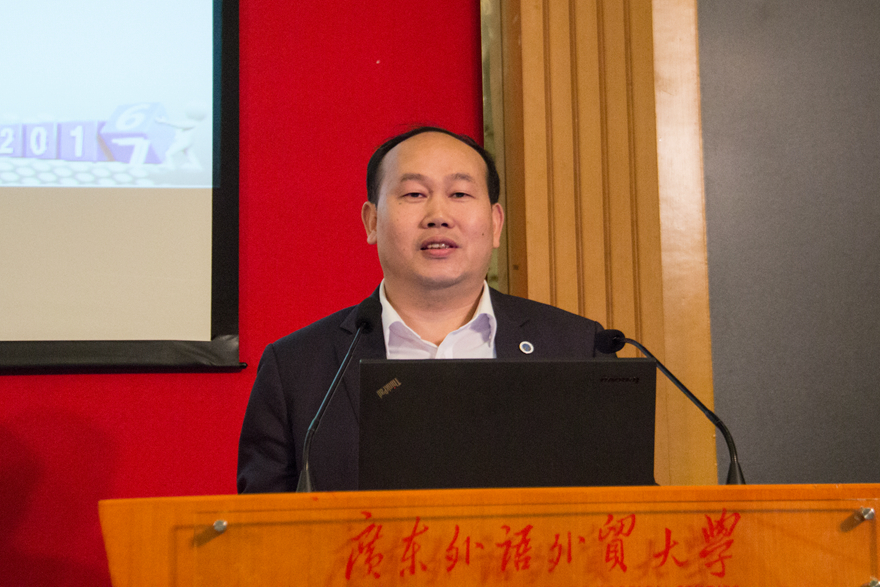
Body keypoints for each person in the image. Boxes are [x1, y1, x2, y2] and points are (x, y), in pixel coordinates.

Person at [237, 126, 610, 493]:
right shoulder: (296, 368)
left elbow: (623, 503)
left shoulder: (578, 348)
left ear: (496, 224)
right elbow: (261, 523)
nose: (438, 215)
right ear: (372, 221)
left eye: (460, 193)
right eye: (414, 194)